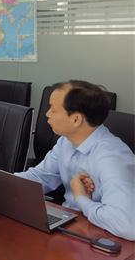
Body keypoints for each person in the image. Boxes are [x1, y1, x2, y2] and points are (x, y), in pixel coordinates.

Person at [16, 80, 135, 241]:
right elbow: (40, 177)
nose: (47, 114)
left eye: (53, 110)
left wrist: (81, 199)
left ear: (76, 119)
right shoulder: (66, 142)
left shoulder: (111, 157)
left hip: (101, 238)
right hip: (70, 226)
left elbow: (127, 225)